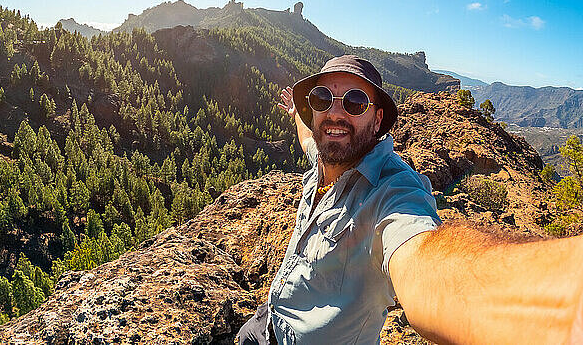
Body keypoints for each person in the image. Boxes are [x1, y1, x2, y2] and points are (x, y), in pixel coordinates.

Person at [236, 55, 583, 345]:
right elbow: (310, 140)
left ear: (378, 119)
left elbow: (422, 256)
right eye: (323, 99)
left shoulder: (394, 190)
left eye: (355, 102)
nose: (335, 114)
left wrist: (563, 303)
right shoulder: (327, 155)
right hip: (269, 322)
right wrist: (299, 115)